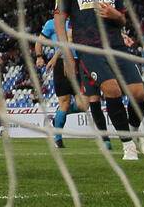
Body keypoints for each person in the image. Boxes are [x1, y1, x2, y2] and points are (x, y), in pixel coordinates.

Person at [54, 0, 144, 161]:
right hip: (89, 49)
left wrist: (115, 15)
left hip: (116, 46)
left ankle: (134, 131)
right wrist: (67, 54)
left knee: (138, 93)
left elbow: (123, 19)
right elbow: (60, 20)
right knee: (112, 90)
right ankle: (127, 145)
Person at [34, 17, 111, 149]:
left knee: (84, 105)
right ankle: (57, 139)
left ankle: (59, 115)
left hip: (81, 62)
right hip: (62, 62)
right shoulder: (51, 23)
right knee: (64, 101)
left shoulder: (78, 19)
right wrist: (39, 57)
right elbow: (39, 42)